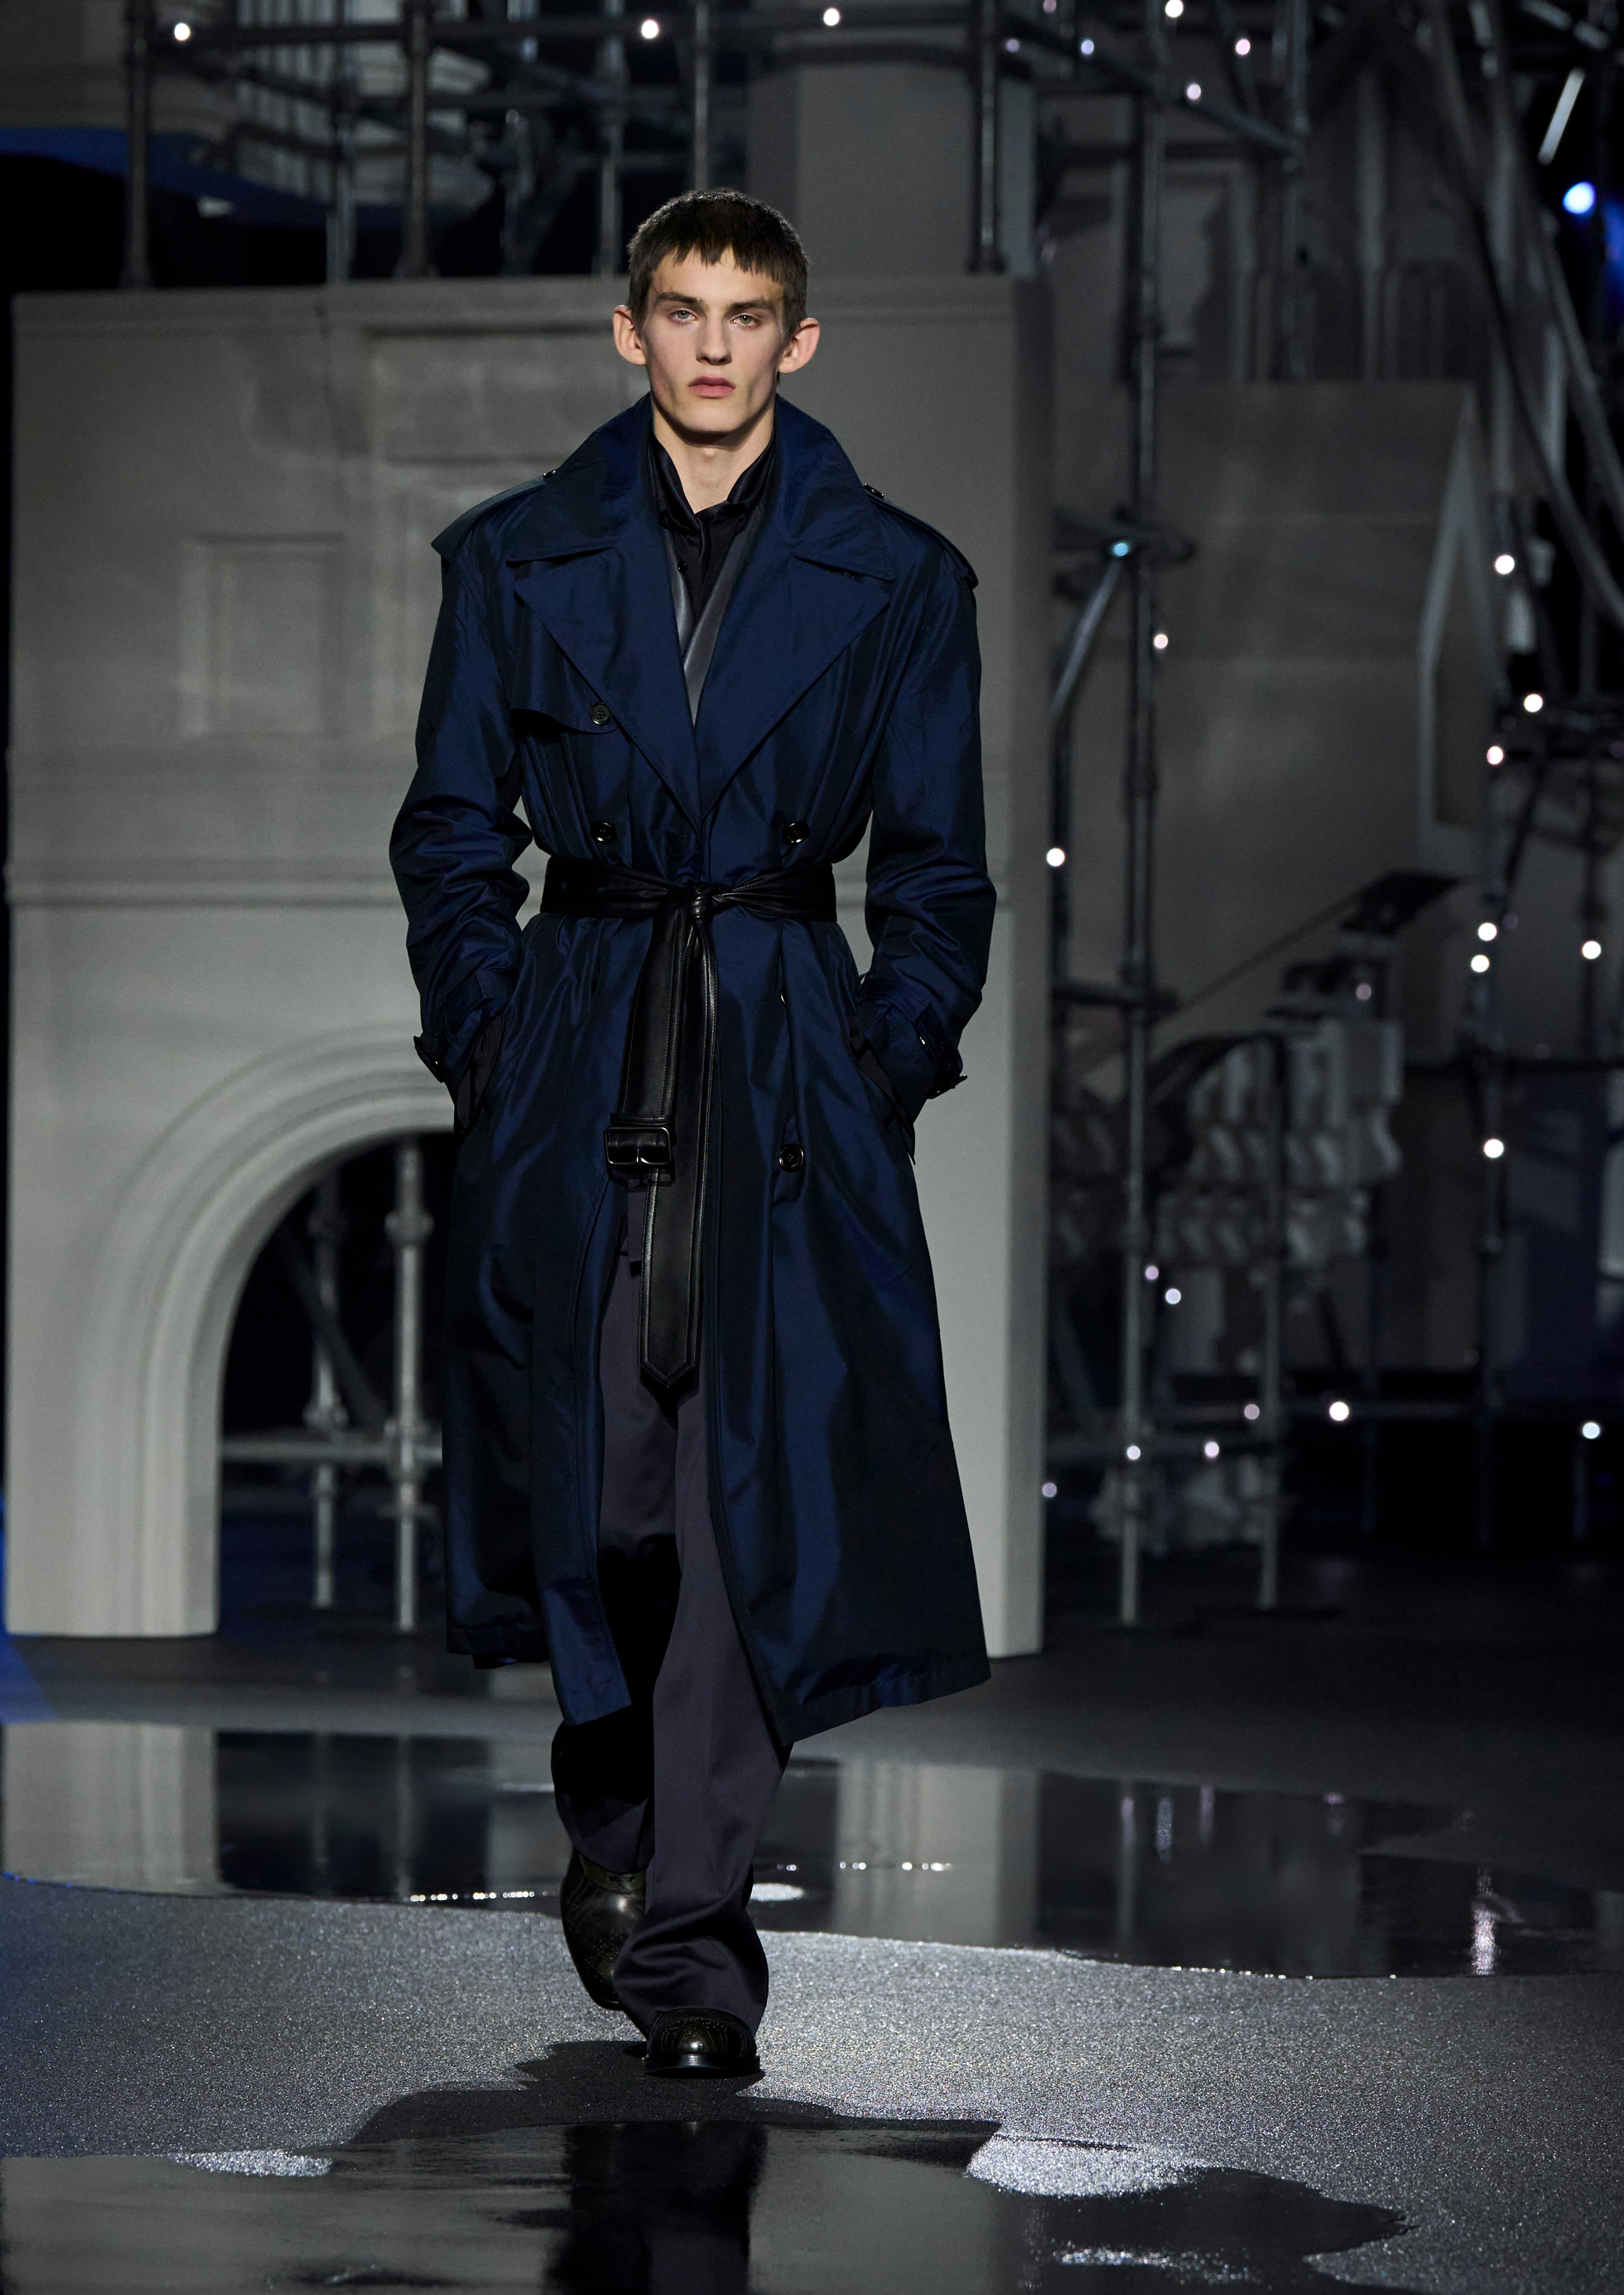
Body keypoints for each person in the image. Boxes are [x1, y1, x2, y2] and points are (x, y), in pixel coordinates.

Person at [392, 189, 995, 2079]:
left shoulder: (902, 578)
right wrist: (492, 1037)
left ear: (795, 341)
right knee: (602, 1499)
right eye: (682, 310)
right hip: (584, 1040)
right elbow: (449, 828)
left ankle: (696, 1948)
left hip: (784, 1052)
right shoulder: (513, 557)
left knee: (744, 1504)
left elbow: (942, 867)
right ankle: (618, 1805)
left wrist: (884, 1055)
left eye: (746, 316)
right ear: (629, 329)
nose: (714, 344)